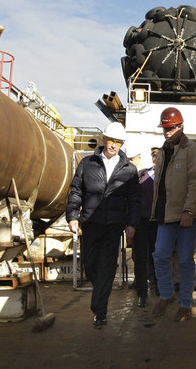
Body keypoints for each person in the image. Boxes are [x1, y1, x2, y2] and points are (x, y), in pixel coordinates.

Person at [66, 122, 140, 326]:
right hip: (90, 222)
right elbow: (76, 191)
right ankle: (100, 292)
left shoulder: (129, 170)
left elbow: (133, 199)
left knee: (107, 266)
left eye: (118, 142)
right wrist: (72, 216)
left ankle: (100, 311)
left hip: (113, 225)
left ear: (121, 144)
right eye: (111, 140)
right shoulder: (87, 164)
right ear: (103, 140)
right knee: (90, 264)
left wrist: (131, 223)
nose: (114, 145)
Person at [151, 107, 196, 322]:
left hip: (187, 215)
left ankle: (185, 304)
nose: (167, 132)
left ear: (181, 127)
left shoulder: (192, 150)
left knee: (185, 259)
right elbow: (159, 185)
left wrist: (189, 210)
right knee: (160, 255)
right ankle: (167, 295)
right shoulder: (162, 152)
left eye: (171, 128)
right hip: (165, 214)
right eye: (164, 128)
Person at [125, 144, 160, 307]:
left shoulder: (168, 177)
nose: (155, 157)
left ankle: (159, 287)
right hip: (140, 223)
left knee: (158, 256)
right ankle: (141, 292)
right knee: (140, 257)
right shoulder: (142, 174)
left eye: (159, 155)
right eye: (153, 155)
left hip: (158, 223)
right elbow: (132, 199)